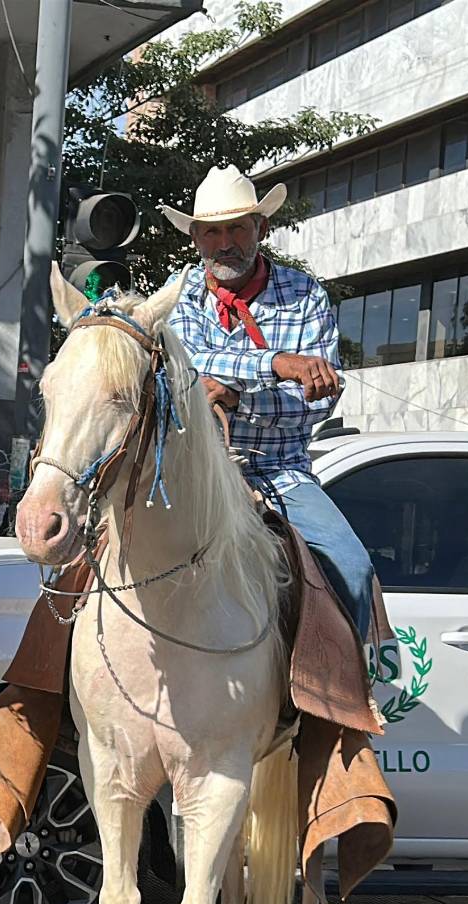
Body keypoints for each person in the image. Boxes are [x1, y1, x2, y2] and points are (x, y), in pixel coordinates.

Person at [162, 164, 380, 664]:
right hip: (185, 466)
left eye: (237, 227)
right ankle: (46, 700)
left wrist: (237, 397)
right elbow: (188, 371)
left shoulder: (305, 296)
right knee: (88, 560)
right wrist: (278, 364)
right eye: (212, 231)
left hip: (278, 470)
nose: (225, 242)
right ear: (195, 237)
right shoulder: (178, 299)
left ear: (261, 229)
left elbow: (315, 404)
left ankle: (336, 712)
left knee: (351, 567)